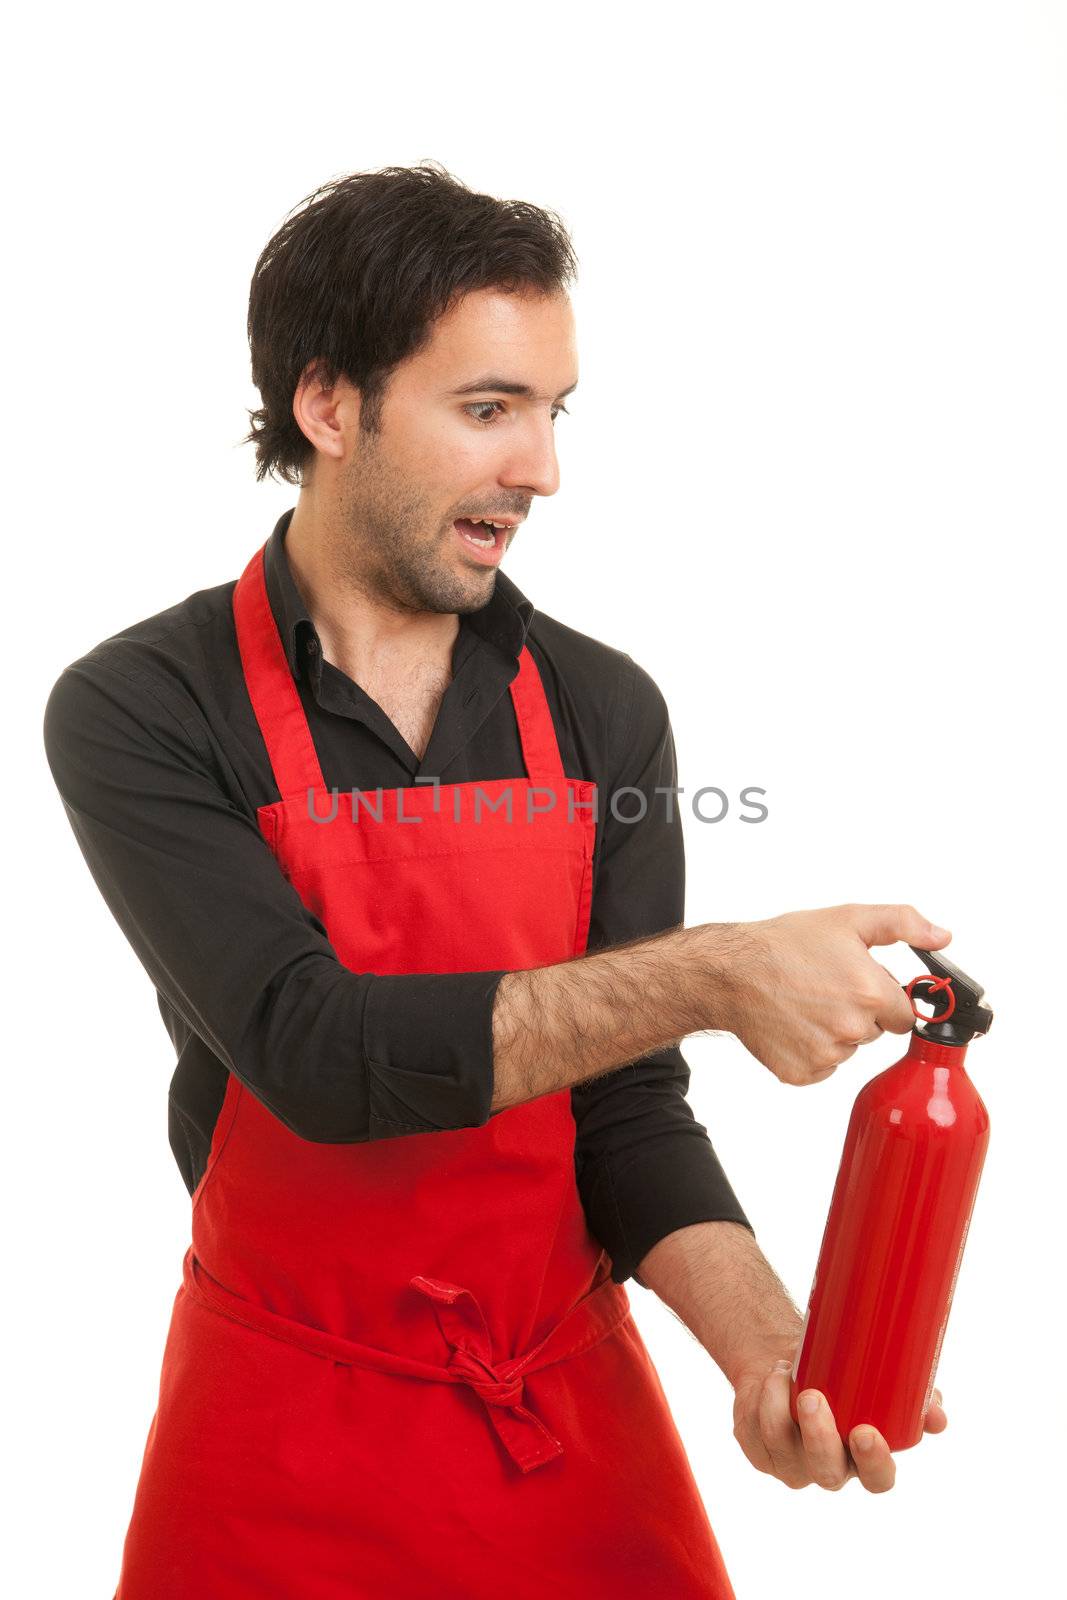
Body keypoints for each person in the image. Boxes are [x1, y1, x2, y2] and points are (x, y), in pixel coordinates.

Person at [42, 162, 948, 1600]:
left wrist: (769, 1346)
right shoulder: (146, 708)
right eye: (487, 410)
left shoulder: (602, 710)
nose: (541, 468)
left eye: (551, 410)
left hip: (558, 1420)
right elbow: (315, 1055)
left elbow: (626, 1109)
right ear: (329, 408)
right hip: (280, 1428)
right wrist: (713, 971)